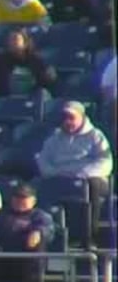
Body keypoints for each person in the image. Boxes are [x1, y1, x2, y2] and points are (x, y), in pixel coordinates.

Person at [36, 100, 113, 243]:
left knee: (93, 186)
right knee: (41, 186)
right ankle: (50, 237)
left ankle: (90, 237)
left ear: (82, 117)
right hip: (60, 177)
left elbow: (105, 162)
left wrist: (81, 174)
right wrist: (55, 172)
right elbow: (43, 160)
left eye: (71, 118)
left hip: (89, 178)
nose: (67, 121)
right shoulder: (54, 138)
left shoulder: (95, 136)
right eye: (64, 118)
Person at [0, 182, 53, 282]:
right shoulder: (1, 215)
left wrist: (37, 232)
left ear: (33, 200)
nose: (20, 200)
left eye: (24, 197)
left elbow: (46, 229)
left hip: (27, 257)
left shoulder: (41, 216)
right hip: (3, 256)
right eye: (16, 197)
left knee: (38, 243)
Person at [0, 28, 57, 98]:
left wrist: (49, 78)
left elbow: (44, 82)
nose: (12, 42)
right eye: (10, 40)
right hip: (10, 100)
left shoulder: (36, 60)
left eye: (15, 39)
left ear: (25, 43)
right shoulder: (3, 61)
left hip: (31, 99)